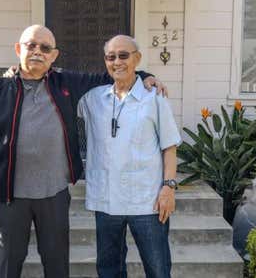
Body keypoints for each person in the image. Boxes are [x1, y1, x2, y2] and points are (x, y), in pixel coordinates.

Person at [0, 25, 165, 278]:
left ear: (54, 55)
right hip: (9, 196)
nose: (37, 52)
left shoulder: (66, 82)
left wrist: (144, 75)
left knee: (57, 265)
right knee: (8, 263)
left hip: (54, 195)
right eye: (31, 45)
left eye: (45, 48)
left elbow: (109, 76)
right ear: (18, 49)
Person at [77, 35, 181, 278]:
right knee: (109, 270)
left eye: (123, 55)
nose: (117, 62)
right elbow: (60, 96)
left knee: (158, 268)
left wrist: (169, 188)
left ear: (137, 59)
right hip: (106, 201)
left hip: (147, 201)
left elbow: (169, 147)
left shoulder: (154, 98)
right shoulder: (93, 99)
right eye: (110, 57)